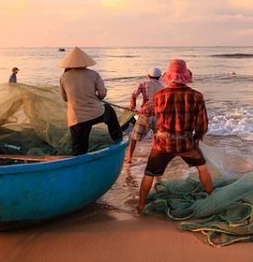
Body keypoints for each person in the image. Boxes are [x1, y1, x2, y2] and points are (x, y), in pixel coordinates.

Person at [137, 59, 213, 214]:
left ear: (169, 76)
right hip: (186, 142)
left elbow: (157, 119)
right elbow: (202, 124)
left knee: (149, 173)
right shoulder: (196, 96)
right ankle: (212, 199)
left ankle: (141, 206)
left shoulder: (159, 96)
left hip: (162, 143)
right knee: (203, 168)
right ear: (185, 76)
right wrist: (197, 138)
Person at [58, 47, 122, 156]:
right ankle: (117, 138)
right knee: (109, 110)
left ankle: (76, 167)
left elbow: (65, 98)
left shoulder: (63, 77)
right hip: (95, 113)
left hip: (76, 118)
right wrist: (98, 95)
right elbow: (102, 94)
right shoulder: (93, 74)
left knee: (79, 149)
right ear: (85, 62)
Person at [125, 67, 164, 164]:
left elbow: (133, 95)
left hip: (145, 115)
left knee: (134, 138)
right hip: (157, 115)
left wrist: (133, 107)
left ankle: (129, 159)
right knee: (157, 138)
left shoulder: (143, 84)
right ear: (159, 77)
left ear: (148, 76)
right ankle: (157, 157)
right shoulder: (162, 87)